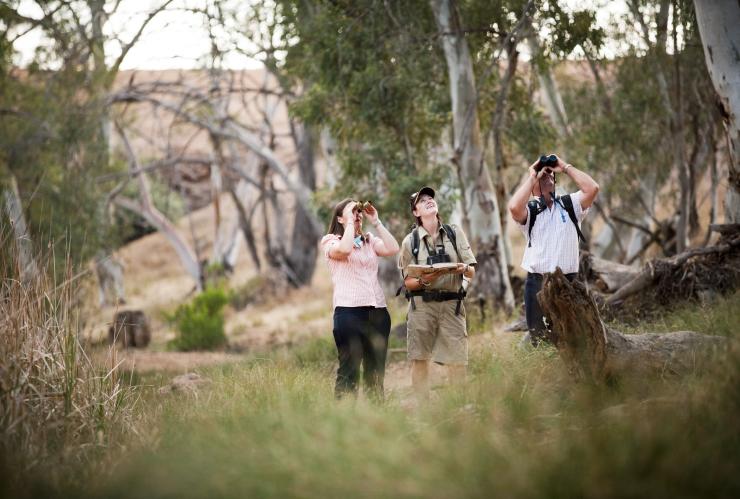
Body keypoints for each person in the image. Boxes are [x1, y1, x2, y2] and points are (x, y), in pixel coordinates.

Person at [507, 155, 600, 346]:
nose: (547, 176)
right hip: (537, 283)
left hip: (568, 281)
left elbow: (593, 188)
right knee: (540, 340)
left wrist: (564, 166)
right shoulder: (531, 211)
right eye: (542, 176)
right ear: (533, 188)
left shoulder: (570, 204)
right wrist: (533, 176)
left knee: (573, 338)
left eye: (550, 175)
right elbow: (514, 207)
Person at [398, 187, 476, 399]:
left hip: (453, 305)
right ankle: (423, 407)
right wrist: (426, 280)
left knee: (457, 359)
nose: (428, 201)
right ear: (416, 212)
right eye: (422, 200)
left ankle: (458, 405)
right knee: (420, 358)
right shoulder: (410, 241)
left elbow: (471, 270)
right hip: (422, 306)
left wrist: (463, 269)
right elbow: (408, 282)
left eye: (430, 198)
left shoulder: (454, 233)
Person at [320, 198, 400, 400]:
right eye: (352, 211)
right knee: (350, 371)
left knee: (376, 372)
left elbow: (393, 248)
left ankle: (376, 415)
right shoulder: (330, 241)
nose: (357, 215)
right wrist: (349, 222)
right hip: (349, 313)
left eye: (358, 211)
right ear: (340, 218)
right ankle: (345, 416)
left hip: (378, 312)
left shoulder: (369, 240)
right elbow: (345, 250)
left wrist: (376, 221)